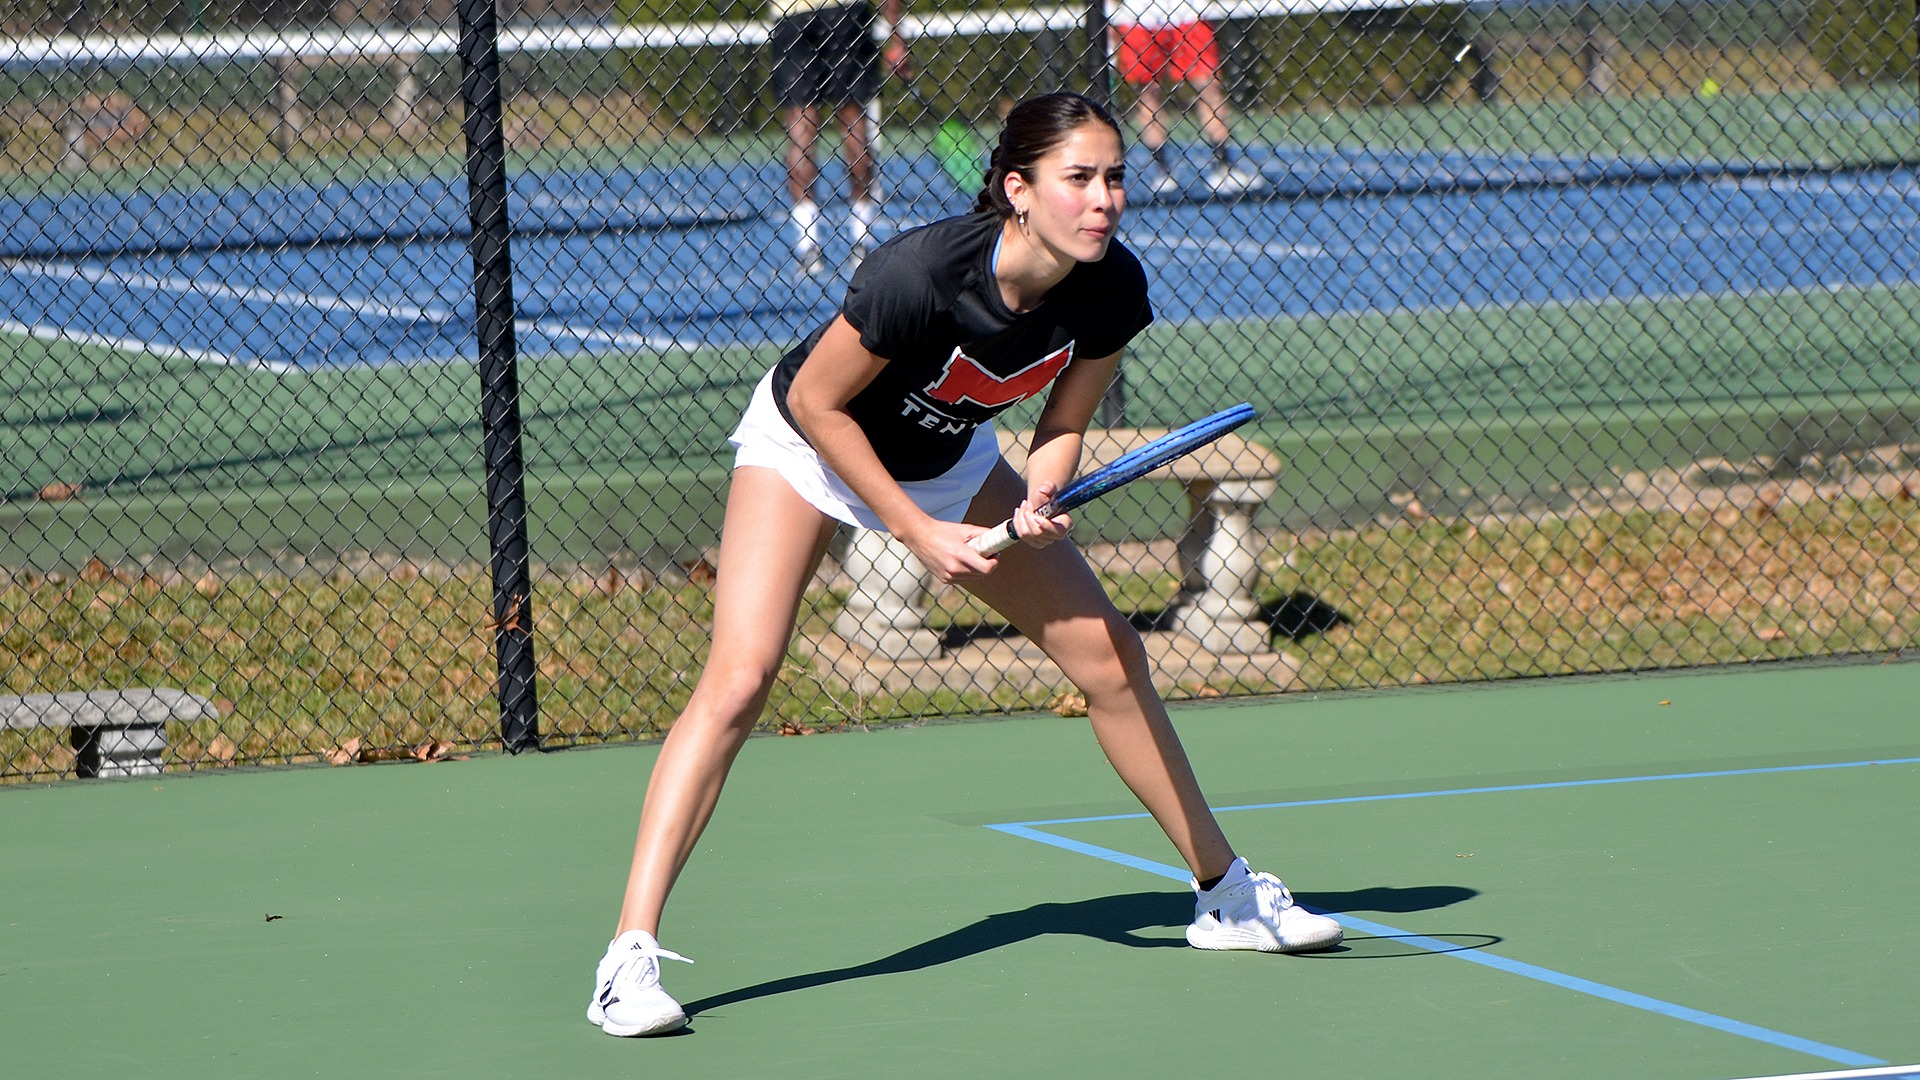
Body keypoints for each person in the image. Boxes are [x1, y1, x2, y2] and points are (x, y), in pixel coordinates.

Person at [587, 91, 1340, 1039]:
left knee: (1113, 657)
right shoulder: (921, 274)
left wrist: (1039, 496)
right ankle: (627, 958)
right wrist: (914, 531)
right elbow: (821, 405)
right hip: (807, 451)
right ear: (1018, 190)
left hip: (951, 464)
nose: (1104, 199)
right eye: (1080, 179)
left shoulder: (1111, 287)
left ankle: (1226, 897)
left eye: (1115, 178)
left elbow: (1064, 421)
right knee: (740, 682)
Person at [769, 0, 908, 275]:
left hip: (792, 16)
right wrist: (897, 38)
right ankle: (861, 241)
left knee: (801, 133)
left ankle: (808, 246)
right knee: (855, 127)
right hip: (845, 14)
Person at [1108, 0, 1267, 196]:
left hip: (1188, 11)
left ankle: (1223, 164)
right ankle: (1162, 169)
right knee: (1148, 92)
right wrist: (1110, 14)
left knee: (1209, 85)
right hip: (1139, 16)